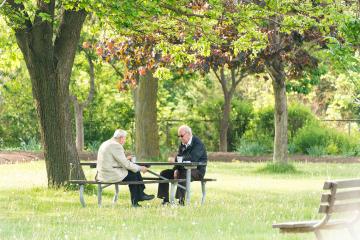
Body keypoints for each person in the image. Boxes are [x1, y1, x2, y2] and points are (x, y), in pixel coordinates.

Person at [96, 129, 154, 207]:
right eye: (125, 138)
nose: (125, 140)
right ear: (121, 138)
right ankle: (136, 200)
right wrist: (141, 168)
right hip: (110, 174)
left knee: (134, 171)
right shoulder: (116, 145)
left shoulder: (106, 143)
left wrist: (126, 158)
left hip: (103, 173)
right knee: (134, 173)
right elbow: (126, 164)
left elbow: (114, 160)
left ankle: (140, 195)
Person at [157, 125, 207, 205]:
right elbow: (179, 157)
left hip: (197, 171)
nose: (180, 138)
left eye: (181, 136)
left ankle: (180, 201)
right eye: (179, 136)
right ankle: (165, 200)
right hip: (183, 169)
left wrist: (176, 160)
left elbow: (193, 158)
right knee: (164, 174)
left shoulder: (198, 144)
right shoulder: (182, 144)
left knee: (184, 174)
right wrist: (176, 169)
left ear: (188, 134)